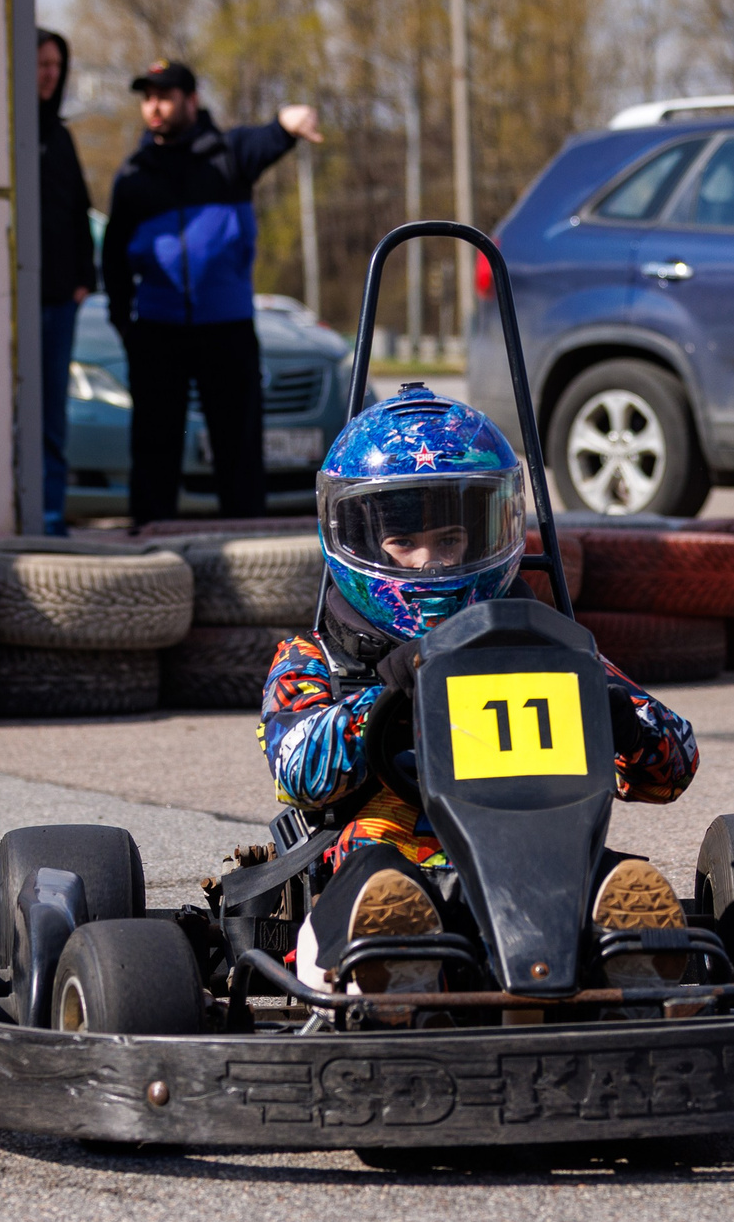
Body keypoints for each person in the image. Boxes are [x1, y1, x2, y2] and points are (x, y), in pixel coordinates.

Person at [258, 384, 698, 995]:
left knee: (604, 878)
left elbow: (673, 767)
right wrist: (387, 696)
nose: (429, 565)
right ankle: (394, 967)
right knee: (380, 886)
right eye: (404, 544)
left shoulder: (543, 647)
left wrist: (617, 716)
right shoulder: (316, 659)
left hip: (538, 861)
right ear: (357, 539)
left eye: (449, 542)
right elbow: (299, 771)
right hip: (385, 858)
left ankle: (632, 957)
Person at [99, 59, 323, 527]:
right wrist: (126, 324)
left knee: (237, 444)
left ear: (191, 100)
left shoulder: (229, 154)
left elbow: (270, 136)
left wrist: (290, 122)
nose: (154, 106)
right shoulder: (135, 175)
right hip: (158, 329)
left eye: (164, 95)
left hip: (227, 327)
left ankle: (247, 538)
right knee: (155, 444)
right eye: (147, 97)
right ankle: (152, 538)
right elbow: (115, 259)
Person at [34, 28, 94, 536]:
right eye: (39, 64)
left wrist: (82, 280)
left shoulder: (59, 137)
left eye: (56, 64)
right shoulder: (3, 132)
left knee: (51, 415)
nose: (49, 73)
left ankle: (50, 518)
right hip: (8, 302)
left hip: (57, 301)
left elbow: (78, 211)